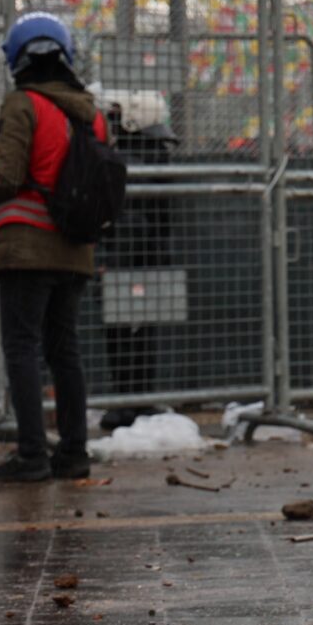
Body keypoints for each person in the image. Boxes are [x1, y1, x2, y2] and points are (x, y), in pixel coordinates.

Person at [0, 16, 104, 482]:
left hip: (28, 248)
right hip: (76, 250)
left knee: (23, 348)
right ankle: (73, 453)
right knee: (65, 351)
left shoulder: (23, 104)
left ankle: (31, 455)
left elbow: (6, 174)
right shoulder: (90, 111)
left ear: (17, 58)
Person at [97, 89, 177, 428]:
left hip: (128, 255)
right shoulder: (151, 155)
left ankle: (130, 399)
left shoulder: (130, 157)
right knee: (138, 329)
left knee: (125, 330)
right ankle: (135, 398)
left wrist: (111, 256)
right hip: (143, 255)